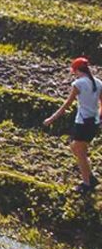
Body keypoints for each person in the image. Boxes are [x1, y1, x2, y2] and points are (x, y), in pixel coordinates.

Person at [44, 57, 102, 193]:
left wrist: (51, 119)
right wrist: (98, 117)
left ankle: (87, 183)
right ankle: (90, 177)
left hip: (82, 122)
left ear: (76, 70)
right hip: (92, 122)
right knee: (76, 148)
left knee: (80, 152)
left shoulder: (78, 84)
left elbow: (67, 104)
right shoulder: (98, 83)